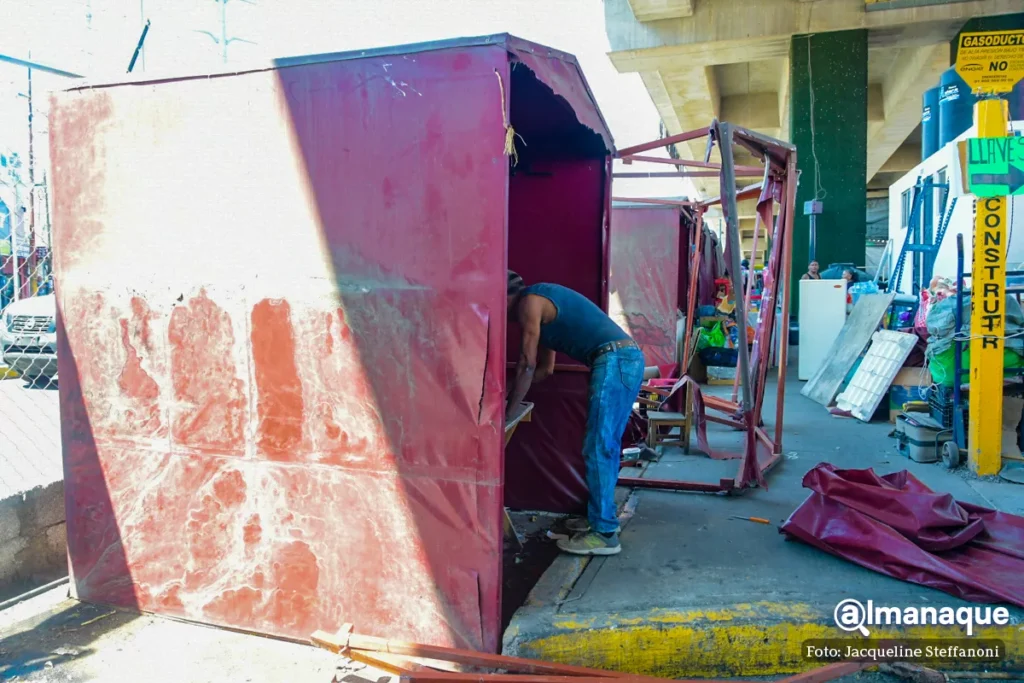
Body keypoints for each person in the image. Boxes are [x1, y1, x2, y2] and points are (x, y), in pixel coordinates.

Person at [506, 271, 644, 556]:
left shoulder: (530, 303)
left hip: (616, 358)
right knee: (601, 445)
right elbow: (544, 369)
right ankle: (600, 518)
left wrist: (505, 413)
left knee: (599, 446)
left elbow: (527, 365)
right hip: (620, 359)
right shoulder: (541, 307)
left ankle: (605, 534)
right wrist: (505, 396)